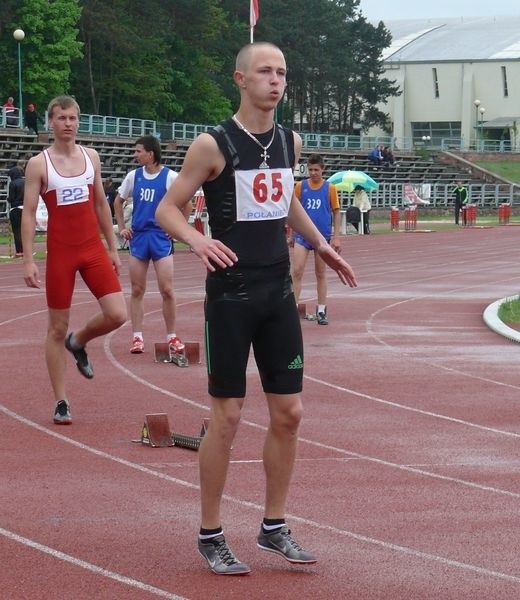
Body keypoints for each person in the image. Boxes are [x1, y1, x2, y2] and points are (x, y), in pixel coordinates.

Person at [156, 41, 357, 576]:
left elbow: (284, 199)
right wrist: (197, 242)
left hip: (278, 294)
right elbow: (166, 208)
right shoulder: (212, 144)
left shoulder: (290, 141)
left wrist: (321, 244)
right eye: (265, 71)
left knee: (289, 413)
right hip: (231, 296)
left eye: (283, 73)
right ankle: (210, 532)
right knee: (227, 415)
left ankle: (273, 526)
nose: (276, 80)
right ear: (240, 79)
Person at [21, 95, 127, 425]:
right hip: (61, 253)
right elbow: (27, 213)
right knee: (56, 328)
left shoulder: (90, 157)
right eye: (62, 118)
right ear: (51, 122)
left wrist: (112, 247)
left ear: (78, 121)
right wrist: (28, 258)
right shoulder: (39, 164)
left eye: (72, 118)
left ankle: (78, 341)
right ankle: (62, 401)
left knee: (117, 314)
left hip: (92, 249)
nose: (68, 124)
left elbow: (100, 205)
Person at [113, 134, 186, 355]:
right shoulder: (133, 177)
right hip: (140, 237)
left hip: (160, 237)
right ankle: (137, 337)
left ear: (150, 153)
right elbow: (118, 201)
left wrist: (176, 228)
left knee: (167, 290)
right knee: (137, 289)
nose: (135, 155)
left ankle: (172, 336)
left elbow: (186, 204)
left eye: (138, 151)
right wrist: (122, 226)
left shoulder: (170, 177)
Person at [289, 153, 341, 325]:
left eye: (316, 170)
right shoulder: (300, 186)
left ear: (322, 169)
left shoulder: (330, 188)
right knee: (296, 271)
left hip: (322, 237)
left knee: (321, 273)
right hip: (302, 236)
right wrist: (290, 234)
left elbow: (336, 212)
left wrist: (336, 237)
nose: (313, 173)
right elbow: (293, 211)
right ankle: (292, 309)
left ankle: (321, 310)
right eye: (310, 170)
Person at [7, 165, 25, 256]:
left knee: (17, 231)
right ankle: (26, 250)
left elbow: (11, 197)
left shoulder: (13, 183)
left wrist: (8, 199)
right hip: (25, 209)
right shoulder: (25, 182)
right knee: (25, 231)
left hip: (15, 208)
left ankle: (19, 251)